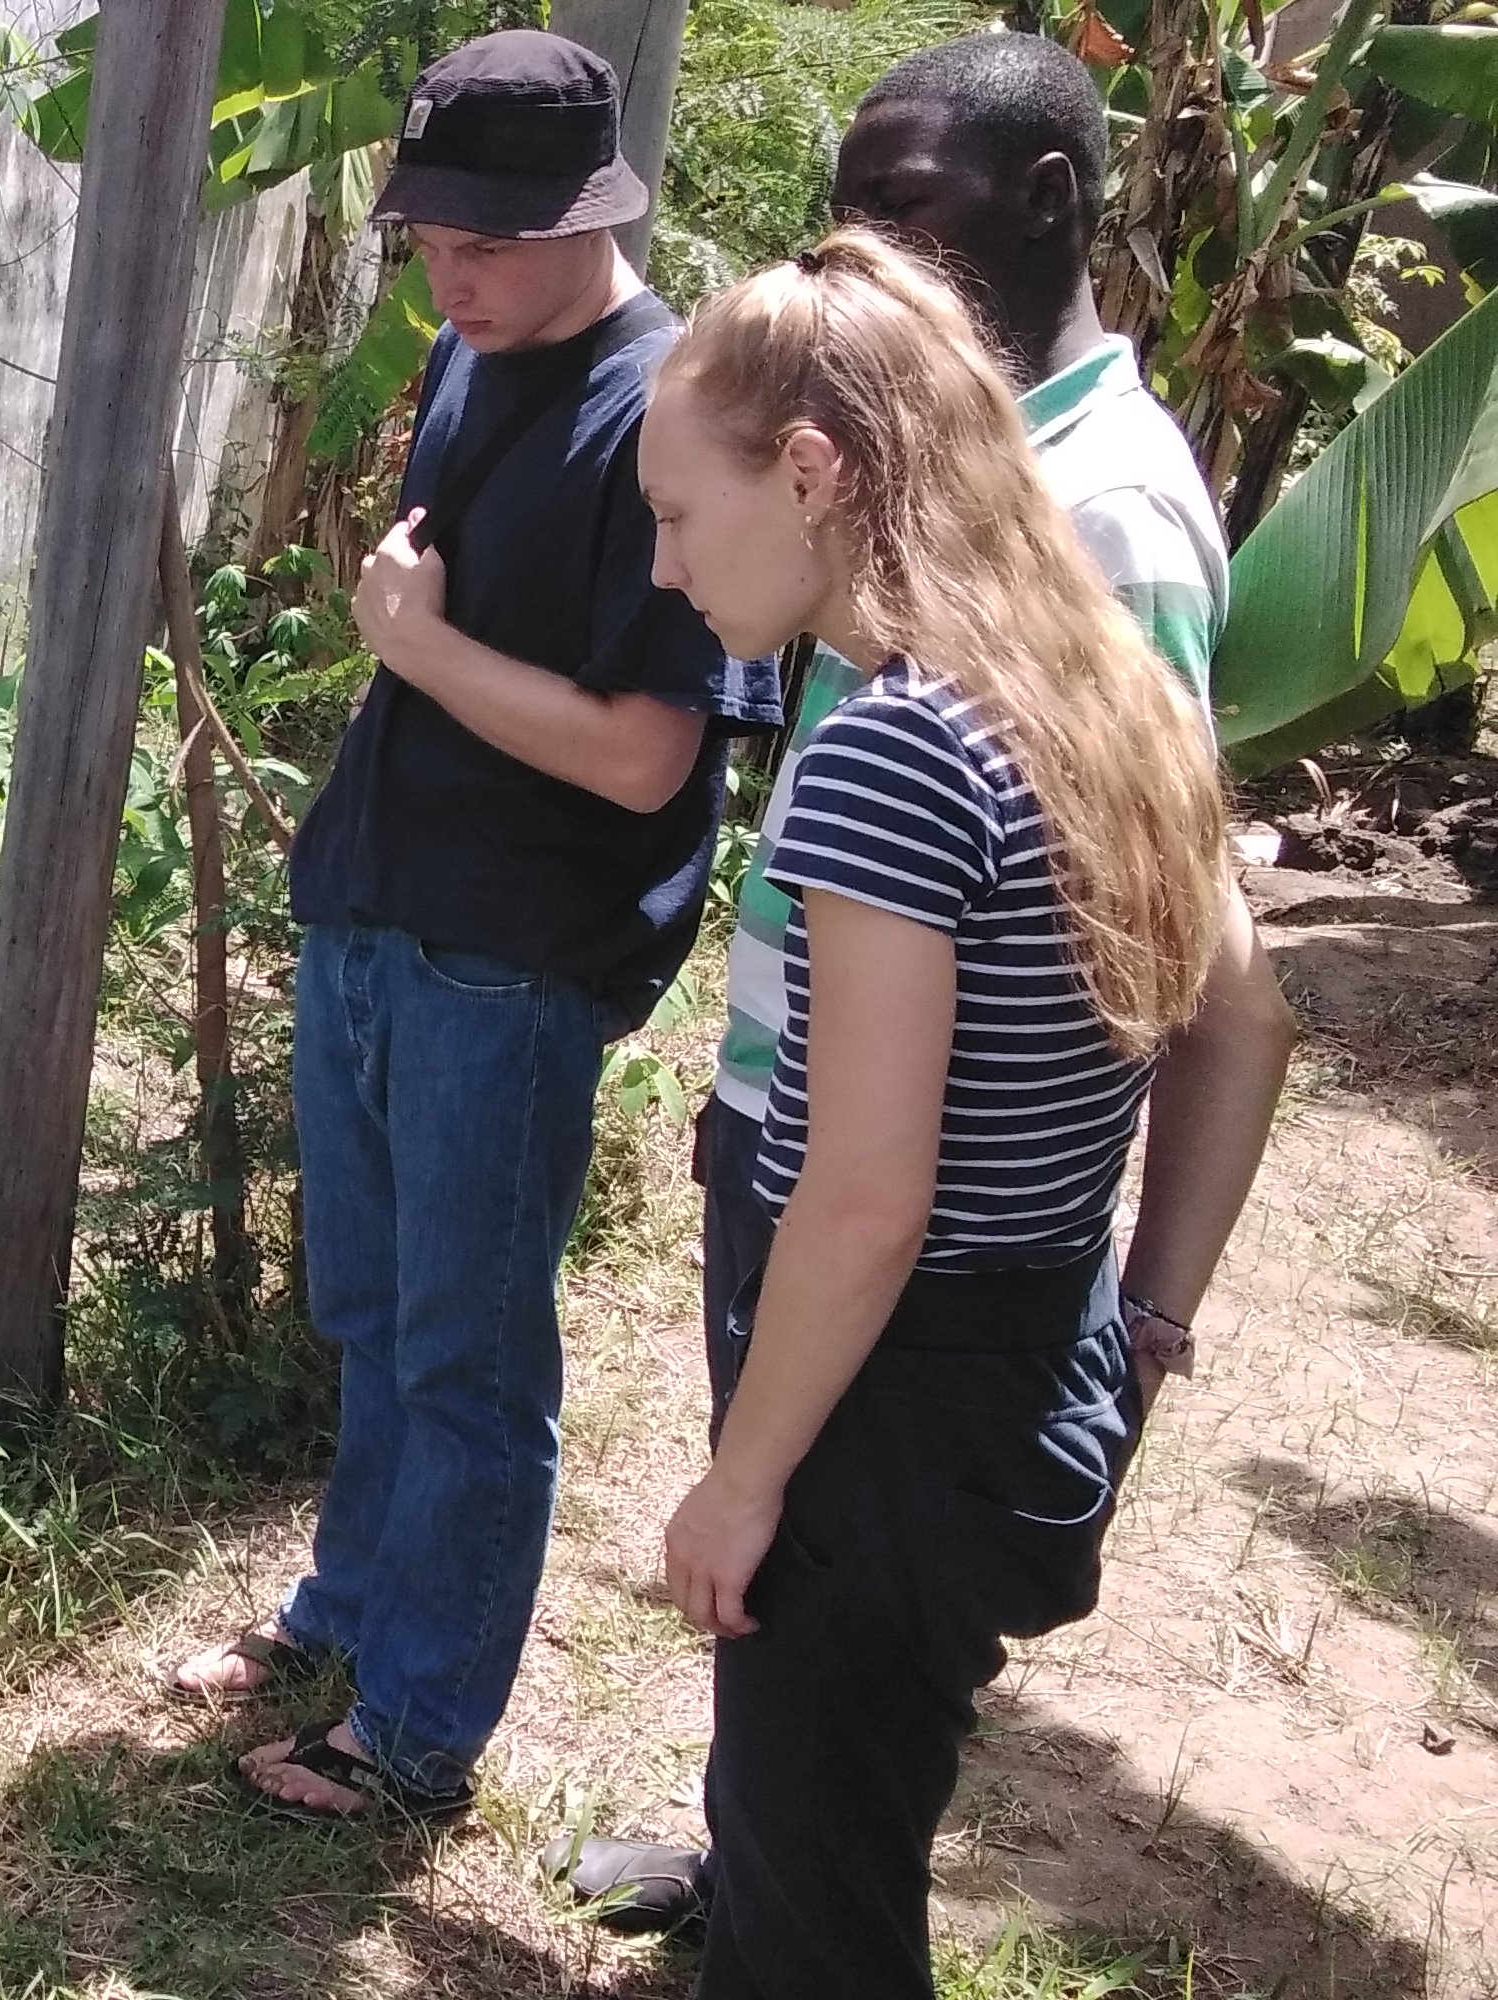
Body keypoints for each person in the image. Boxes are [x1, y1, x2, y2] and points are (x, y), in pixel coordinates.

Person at [551, 31, 1297, 1933]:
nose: (663, 562)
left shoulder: (896, 742)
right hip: (1009, 1357)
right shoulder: (1078, 675)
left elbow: (868, 1193)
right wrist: (1127, 1333)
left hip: (879, 1398)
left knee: (818, 1906)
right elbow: (1240, 1002)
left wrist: (739, 1483)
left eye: (678, 513)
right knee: (849, 1830)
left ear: (812, 472)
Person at [168, 31, 779, 1823]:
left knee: (470, 1352)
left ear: (593, 214)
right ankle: (345, 1609)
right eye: (431, 239)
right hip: (380, 909)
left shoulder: (666, 408)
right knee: (368, 1310)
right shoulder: (471, 351)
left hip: (505, 959)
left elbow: (652, 752)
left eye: (490, 243)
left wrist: (418, 652)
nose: (455, 274)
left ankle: (421, 1727)